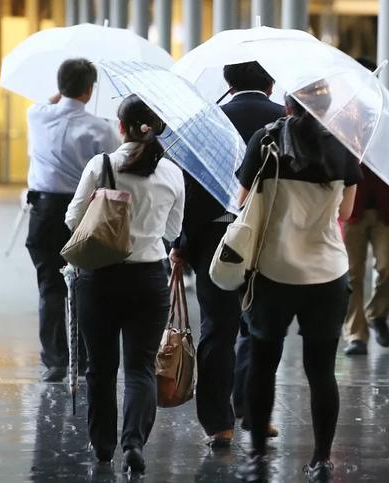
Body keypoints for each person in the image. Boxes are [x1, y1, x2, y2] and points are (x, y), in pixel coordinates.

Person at [235, 92, 363, 482]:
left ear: (288, 106)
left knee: (263, 362)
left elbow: (243, 201)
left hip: (273, 269)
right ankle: (321, 458)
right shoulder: (343, 146)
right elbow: (345, 213)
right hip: (327, 272)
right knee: (322, 371)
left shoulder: (266, 139)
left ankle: (257, 452)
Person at [65, 94, 184, 473]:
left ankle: (102, 448)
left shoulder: (101, 166)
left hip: (100, 278)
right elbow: (173, 231)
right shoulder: (173, 173)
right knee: (140, 368)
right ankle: (133, 443)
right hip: (150, 280)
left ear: (121, 127)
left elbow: (72, 220)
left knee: (99, 367)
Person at [169, 61, 285, 448]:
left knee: (217, 328)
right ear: (271, 84)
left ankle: (218, 422)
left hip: (215, 236)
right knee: (259, 325)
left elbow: (191, 183)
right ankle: (255, 411)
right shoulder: (284, 121)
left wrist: (183, 243)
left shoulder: (208, 121)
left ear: (228, 83)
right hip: (269, 235)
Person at [25, 58, 119, 382]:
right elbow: (110, 172)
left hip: (44, 211)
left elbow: (51, 101)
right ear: (89, 90)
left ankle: (55, 361)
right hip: (84, 212)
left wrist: (63, 92)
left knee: (49, 285)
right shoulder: (101, 129)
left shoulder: (36, 115)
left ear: (59, 85)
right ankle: (82, 357)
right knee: (84, 284)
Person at [341, 164, 389, 356]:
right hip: (351, 209)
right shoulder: (345, 136)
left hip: (387, 209)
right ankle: (355, 335)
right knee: (351, 275)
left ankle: (378, 314)